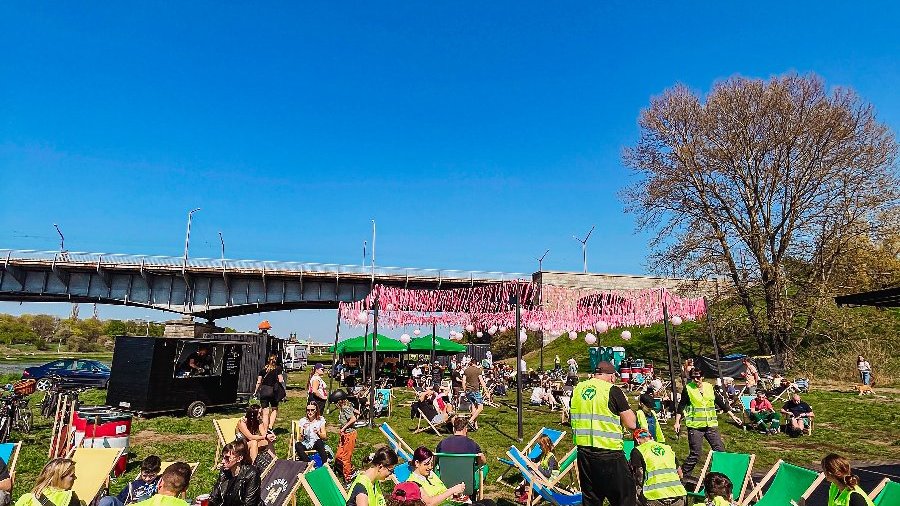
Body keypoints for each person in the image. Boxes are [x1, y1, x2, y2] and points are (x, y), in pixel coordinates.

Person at [570, 361, 638, 506]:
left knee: (591, 498)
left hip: (584, 453)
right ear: (612, 376)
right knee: (625, 496)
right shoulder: (612, 390)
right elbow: (631, 424)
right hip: (609, 453)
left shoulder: (578, 389)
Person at [673, 369, 741, 477]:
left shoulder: (709, 387)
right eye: (693, 377)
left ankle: (721, 476)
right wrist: (677, 422)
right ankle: (682, 476)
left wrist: (732, 415)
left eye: (698, 377)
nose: (696, 380)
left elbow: (719, 401)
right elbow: (681, 406)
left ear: (702, 377)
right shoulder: (688, 388)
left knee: (720, 451)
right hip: (695, 427)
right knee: (696, 454)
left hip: (710, 425)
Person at [629, 428, 686, 506]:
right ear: (651, 438)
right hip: (678, 496)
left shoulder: (638, 450)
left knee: (631, 491)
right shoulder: (667, 448)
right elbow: (680, 474)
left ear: (637, 440)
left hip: (655, 497)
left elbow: (639, 477)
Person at [209, 441, 260, 506]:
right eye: (223, 457)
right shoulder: (224, 473)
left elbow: (249, 503)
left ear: (239, 458)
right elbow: (214, 497)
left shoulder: (251, 474)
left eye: (227, 458)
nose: (222, 461)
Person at [15, 459, 79, 506]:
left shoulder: (27, 499)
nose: (75, 478)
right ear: (59, 477)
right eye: (72, 475)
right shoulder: (69, 498)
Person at [254, 354, 284, 429]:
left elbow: (258, 382)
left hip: (264, 391)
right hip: (273, 391)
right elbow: (281, 380)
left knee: (265, 412)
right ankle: (270, 427)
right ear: (275, 361)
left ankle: (265, 428)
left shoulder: (263, 370)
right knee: (274, 408)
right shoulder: (278, 369)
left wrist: (255, 391)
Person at [335, 395, 360, 482]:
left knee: (346, 457)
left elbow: (353, 419)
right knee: (339, 455)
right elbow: (358, 412)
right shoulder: (346, 408)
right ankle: (352, 469)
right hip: (344, 435)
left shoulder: (345, 408)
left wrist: (343, 428)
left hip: (349, 434)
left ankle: (348, 478)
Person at [461, 361, 486, 431]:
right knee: (480, 407)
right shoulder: (478, 370)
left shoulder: (466, 370)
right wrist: (486, 391)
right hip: (475, 390)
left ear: (470, 363)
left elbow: (463, 381)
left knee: (473, 407)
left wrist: (464, 390)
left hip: (468, 391)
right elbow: (481, 381)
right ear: (476, 363)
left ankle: (475, 426)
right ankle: (470, 421)